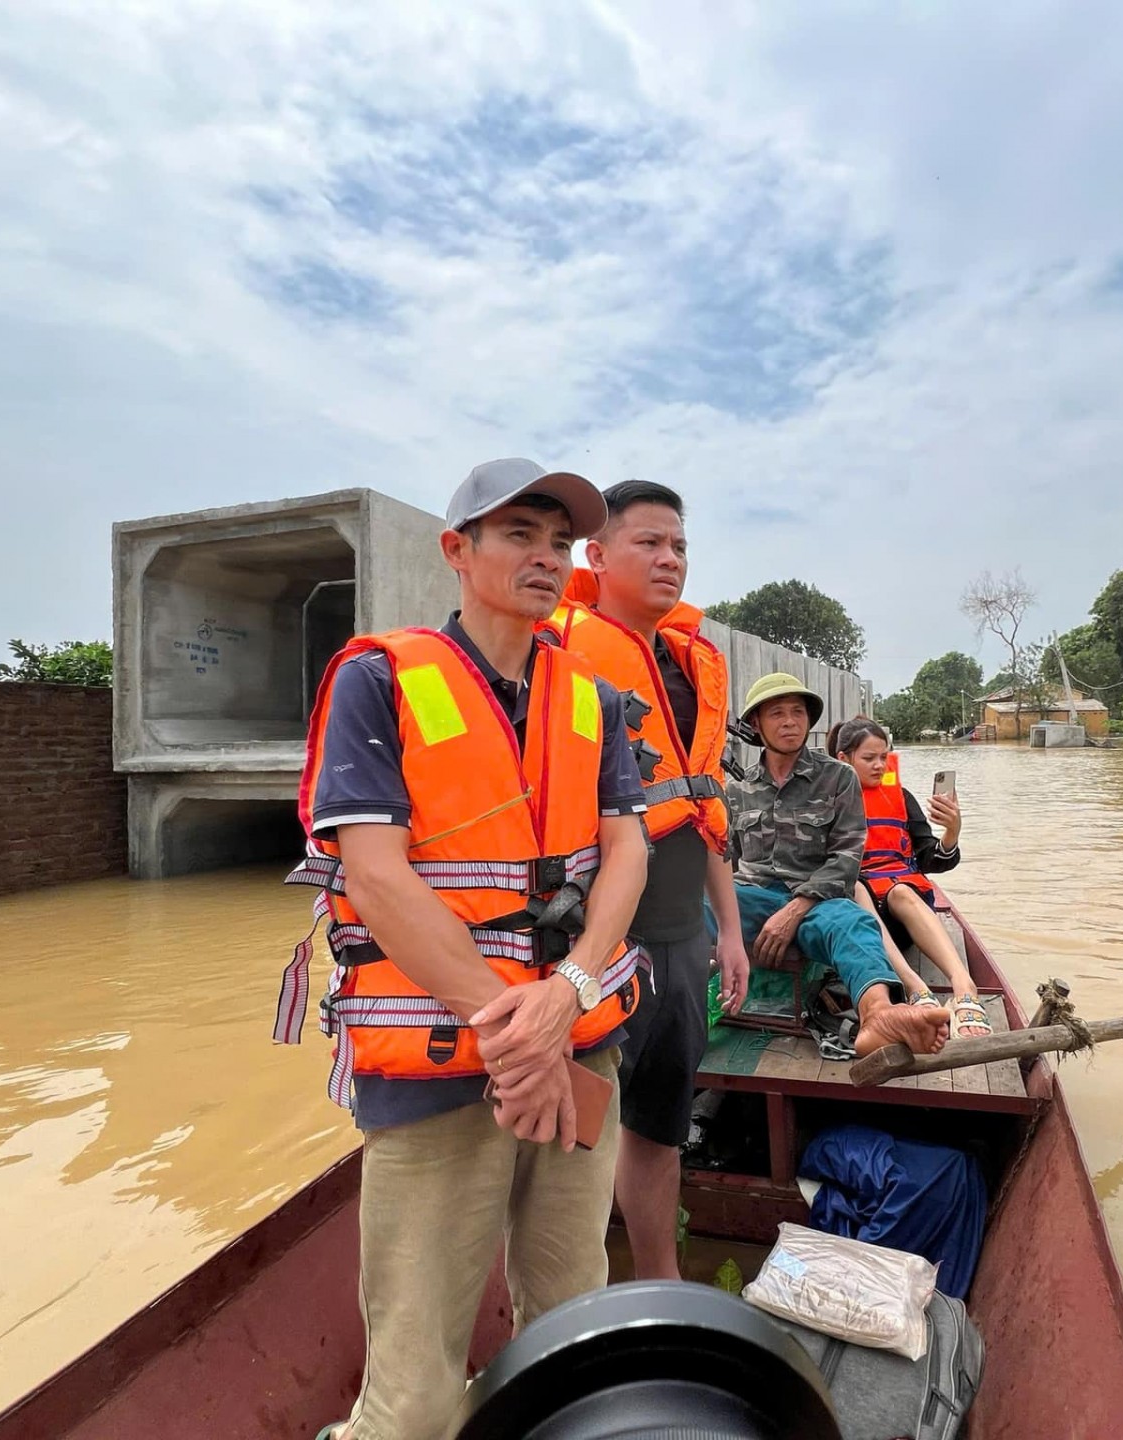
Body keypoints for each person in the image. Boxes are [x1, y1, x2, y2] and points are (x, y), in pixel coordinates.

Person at [277, 458, 650, 1440]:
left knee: (571, 1331)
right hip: (446, 1066)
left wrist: (565, 996)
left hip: (576, 1049)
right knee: (416, 1402)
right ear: (458, 550)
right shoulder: (376, 680)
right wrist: (516, 1035)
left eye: (560, 542)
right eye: (519, 534)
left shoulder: (593, 700)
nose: (546, 558)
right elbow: (378, 878)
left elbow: (627, 853)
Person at [541, 478, 750, 1282]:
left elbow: (704, 809)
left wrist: (726, 930)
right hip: (593, 946)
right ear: (597, 555)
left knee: (660, 1130)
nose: (670, 560)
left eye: (681, 547)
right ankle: (567, 1300)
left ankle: (660, 1281)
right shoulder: (554, 654)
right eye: (649, 544)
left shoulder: (691, 665)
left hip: (681, 936)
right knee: (573, 1137)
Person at [726, 674, 951, 1059]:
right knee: (697, 909)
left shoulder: (838, 777)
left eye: (798, 712)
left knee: (856, 924)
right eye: (777, 713)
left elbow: (847, 857)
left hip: (818, 904)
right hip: (753, 899)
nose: (790, 722)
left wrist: (795, 910)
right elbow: (726, 863)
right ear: (754, 724)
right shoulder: (737, 789)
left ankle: (879, 1016)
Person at [827, 716, 992, 1039]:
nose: (879, 766)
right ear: (843, 759)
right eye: (869, 758)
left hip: (904, 919)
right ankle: (916, 987)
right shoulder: (824, 802)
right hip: (859, 922)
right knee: (856, 886)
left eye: (883, 757)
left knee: (901, 890)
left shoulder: (900, 797)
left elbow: (932, 859)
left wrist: (952, 832)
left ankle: (964, 986)